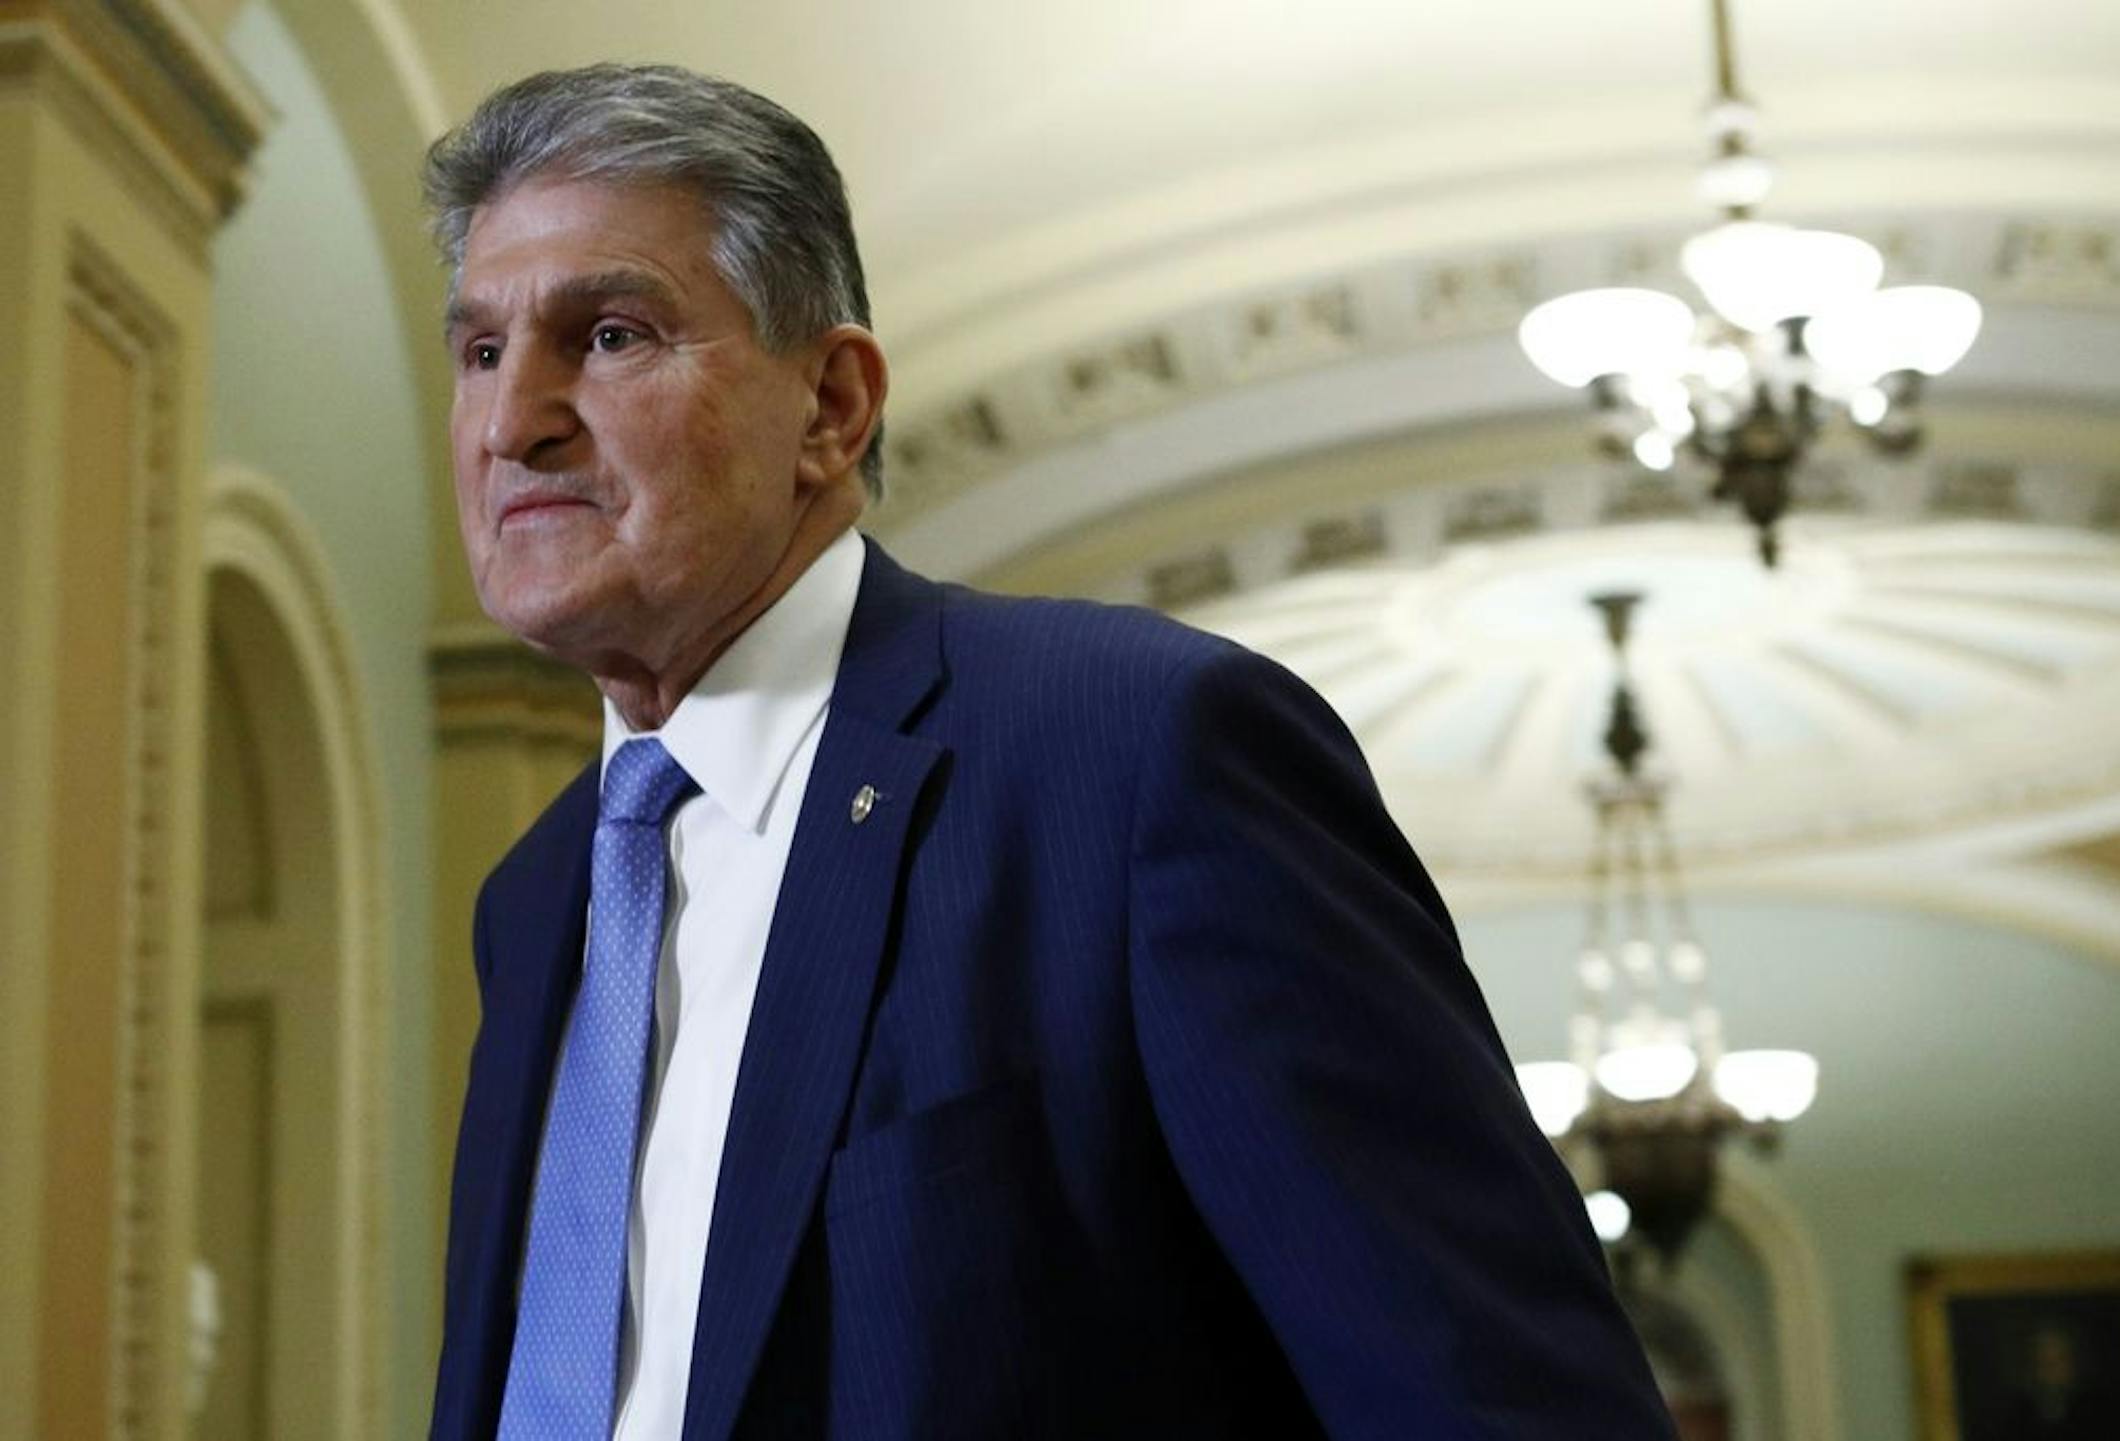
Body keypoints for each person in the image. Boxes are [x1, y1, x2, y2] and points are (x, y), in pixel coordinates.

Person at [423, 63, 1675, 1441]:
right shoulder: (538, 897)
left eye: (606, 335)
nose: (513, 418)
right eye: (481, 351)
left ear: (832, 406)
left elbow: (1498, 1398)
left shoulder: (1142, 758)